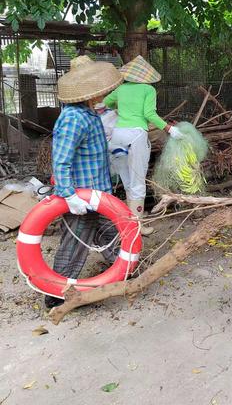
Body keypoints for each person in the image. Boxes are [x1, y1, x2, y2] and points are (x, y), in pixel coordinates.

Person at [47, 56, 124, 309]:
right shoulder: (73, 118)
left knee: (110, 233)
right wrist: (68, 195)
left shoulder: (89, 113)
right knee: (74, 245)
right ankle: (55, 294)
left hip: (99, 195)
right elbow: (61, 160)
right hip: (81, 197)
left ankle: (126, 272)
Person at [104, 55, 184, 236]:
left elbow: (105, 104)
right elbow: (149, 114)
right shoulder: (148, 90)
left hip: (118, 136)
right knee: (138, 181)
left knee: (126, 180)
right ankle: (136, 227)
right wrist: (169, 128)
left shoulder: (121, 89)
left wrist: (120, 110)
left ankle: (128, 223)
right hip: (136, 136)